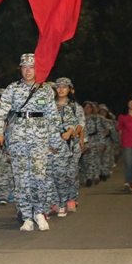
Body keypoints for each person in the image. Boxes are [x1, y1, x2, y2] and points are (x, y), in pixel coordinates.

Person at [0, 54, 58, 231]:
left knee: (39, 177)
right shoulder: (12, 88)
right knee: (21, 179)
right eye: (24, 67)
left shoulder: (45, 90)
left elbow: (53, 117)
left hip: (39, 138)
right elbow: (1, 113)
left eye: (32, 67)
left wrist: (54, 142)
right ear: (20, 69)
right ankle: (27, 216)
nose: (28, 71)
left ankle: (40, 212)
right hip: (18, 138)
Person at [49, 77, 84, 216]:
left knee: (70, 173)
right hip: (54, 144)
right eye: (59, 86)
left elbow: (80, 123)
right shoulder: (50, 105)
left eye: (64, 87)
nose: (61, 89)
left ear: (69, 89)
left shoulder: (74, 106)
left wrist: (74, 134)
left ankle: (71, 198)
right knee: (55, 174)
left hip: (72, 144)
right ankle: (56, 201)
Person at [81, 102, 103, 186]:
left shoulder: (95, 119)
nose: (87, 109)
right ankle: (86, 177)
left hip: (93, 140)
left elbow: (100, 131)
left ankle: (91, 177)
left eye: (89, 107)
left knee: (92, 159)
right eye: (85, 107)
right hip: (82, 141)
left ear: (91, 109)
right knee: (84, 161)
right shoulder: (79, 119)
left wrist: (101, 143)